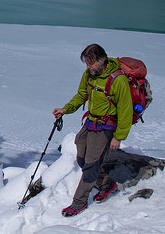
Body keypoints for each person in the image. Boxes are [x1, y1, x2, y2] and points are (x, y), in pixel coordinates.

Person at [52, 44, 133, 217]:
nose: (88, 67)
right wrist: (65, 109)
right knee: (81, 155)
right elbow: (82, 95)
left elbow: (126, 111)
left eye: (91, 63)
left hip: (107, 126)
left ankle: (78, 203)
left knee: (90, 165)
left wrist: (118, 137)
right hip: (91, 122)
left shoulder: (118, 80)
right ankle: (106, 184)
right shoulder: (89, 75)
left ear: (102, 60)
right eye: (87, 64)